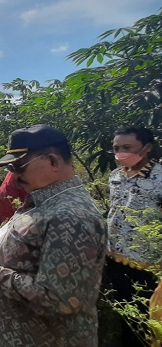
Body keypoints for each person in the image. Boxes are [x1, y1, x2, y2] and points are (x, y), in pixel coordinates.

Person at [0, 124, 107, 347]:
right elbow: (37, 258)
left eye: (19, 166)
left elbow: (59, 301)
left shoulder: (70, 216)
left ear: (53, 161)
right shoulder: (45, 200)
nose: (14, 175)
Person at [104, 127, 161, 346]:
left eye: (127, 148)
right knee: (124, 312)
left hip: (148, 262)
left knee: (148, 317)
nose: (120, 153)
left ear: (146, 148)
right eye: (116, 148)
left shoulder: (159, 177)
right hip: (115, 257)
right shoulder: (115, 176)